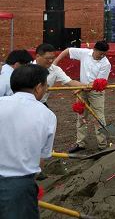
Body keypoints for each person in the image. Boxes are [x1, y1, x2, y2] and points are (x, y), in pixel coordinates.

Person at [0, 64, 56, 219]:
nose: (46, 89)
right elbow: (41, 160)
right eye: (46, 85)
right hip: (19, 187)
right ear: (38, 87)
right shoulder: (47, 115)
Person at [54, 41, 111, 153]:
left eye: (104, 54)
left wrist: (79, 88)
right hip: (82, 90)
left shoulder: (106, 64)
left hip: (96, 92)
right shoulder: (85, 53)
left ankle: (102, 145)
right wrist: (55, 62)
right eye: (100, 53)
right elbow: (68, 50)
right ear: (94, 50)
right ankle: (81, 143)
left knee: (99, 117)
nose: (102, 56)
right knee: (81, 116)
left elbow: (97, 83)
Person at [35, 43, 84, 108]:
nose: (51, 61)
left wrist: (89, 85)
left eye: (53, 58)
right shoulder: (25, 68)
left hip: (41, 104)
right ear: (37, 56)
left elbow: (71, 83)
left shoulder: (55, 70)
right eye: (48, 58)